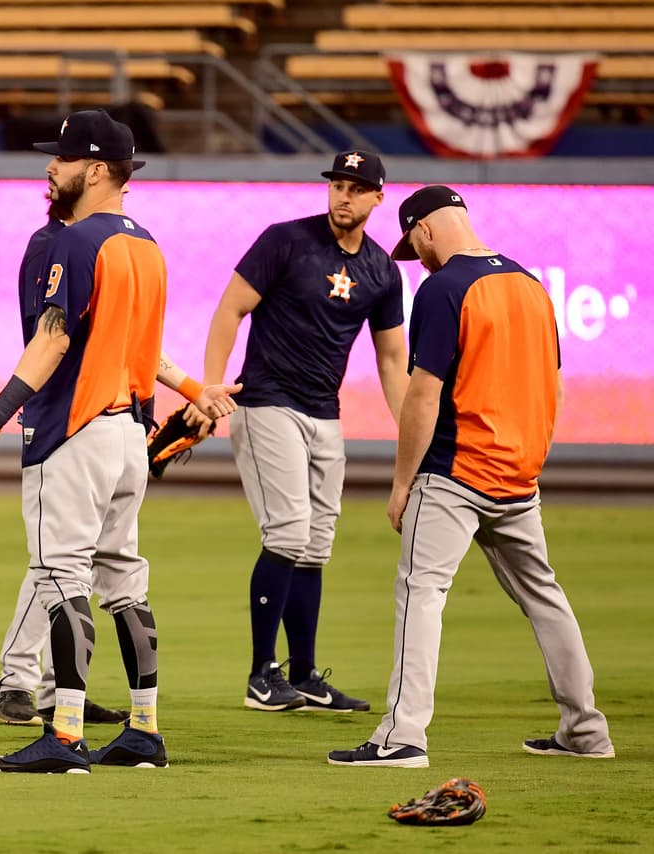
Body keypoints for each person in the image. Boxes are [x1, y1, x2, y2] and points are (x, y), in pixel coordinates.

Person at [0, 109, 238, 773]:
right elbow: (143, 346)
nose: (52, 167)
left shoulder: (76, 242)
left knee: (61, 575)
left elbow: (51, 341)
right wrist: (194, 388)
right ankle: (144, 730)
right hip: (129, 435)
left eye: (64, 157)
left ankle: (65, 737)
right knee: (125, 583)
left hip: (74, 431)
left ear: (99, 169)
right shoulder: (147, 245)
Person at [328, 186, 615, 767]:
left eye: (414, 245)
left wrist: (402, 483)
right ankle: (586, 730)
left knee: (420, 594)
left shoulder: (444, 289)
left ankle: (402, 736)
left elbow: (423, 396)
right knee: (545, 597)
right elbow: (555, 389)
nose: (417, 259)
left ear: (426, 229)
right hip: (518, 479)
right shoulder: (531, 285)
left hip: (454, 474)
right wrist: (529, 459)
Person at [203, 150, 408, 713]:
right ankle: (260, 676)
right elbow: (230, 310)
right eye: (338, 184)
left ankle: (304, 675)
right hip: (267, 403)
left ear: (377, 197)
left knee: (316, 545)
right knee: (288, 534)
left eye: (356, 188)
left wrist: (414, 431)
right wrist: (211, 387)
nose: (344, 195)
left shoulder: (382, 270)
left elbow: (393, 360)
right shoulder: (286, 241)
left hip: (325, 413)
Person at [0, 191, 127, 729]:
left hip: (104, 417)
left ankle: (57, 685)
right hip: (61, 415)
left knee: (75, 557)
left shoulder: (105, 244)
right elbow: (46, 338)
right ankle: (15, 681)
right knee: (56, 558)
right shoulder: (53, 244)